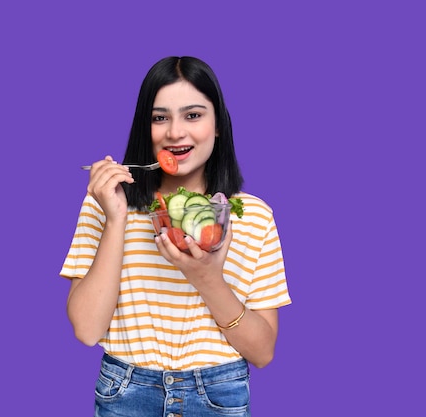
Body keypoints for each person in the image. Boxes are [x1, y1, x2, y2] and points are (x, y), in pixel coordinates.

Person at [60, 56, 291, 417]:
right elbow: (88, 330)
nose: (175, 132)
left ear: (218, 126)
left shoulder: (253, 216)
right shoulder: (105, 204)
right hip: (125, 394)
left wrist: (207, 277)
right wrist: (117, 218)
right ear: (144, 127)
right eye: (160, 117)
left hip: (219, 396)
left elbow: (262, 353)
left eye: (193, 115)